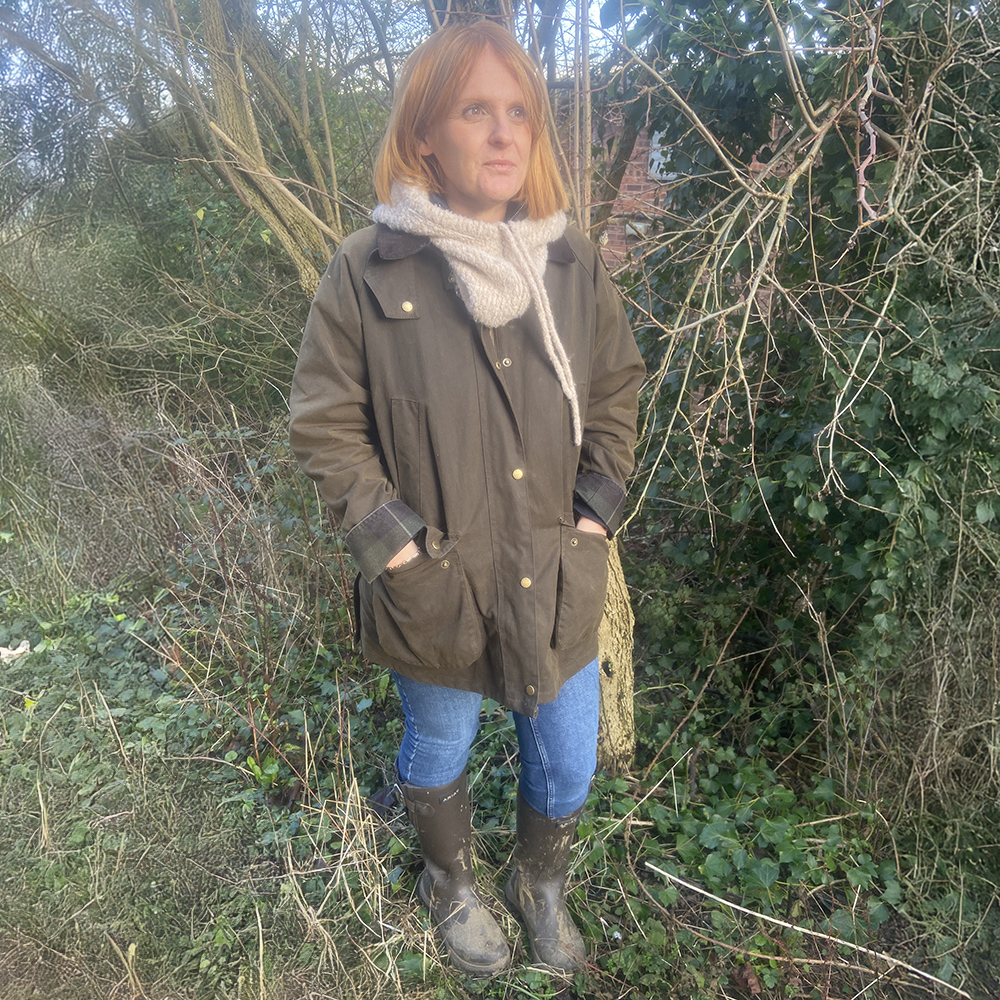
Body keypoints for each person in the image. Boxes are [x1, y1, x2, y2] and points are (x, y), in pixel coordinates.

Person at [289, 20, 644, 977]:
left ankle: (541, 886)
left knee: (567, 758)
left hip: (556, 570)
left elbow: (615, 389)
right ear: (424, 137)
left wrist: (593, 511)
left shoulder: (568, 264)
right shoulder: (368, 268)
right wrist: (397, 551)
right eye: (474, 110)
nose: (503, 133)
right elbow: (325, 423)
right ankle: (448, 883)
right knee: (439, 740)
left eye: (518, 111)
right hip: (435, 576)